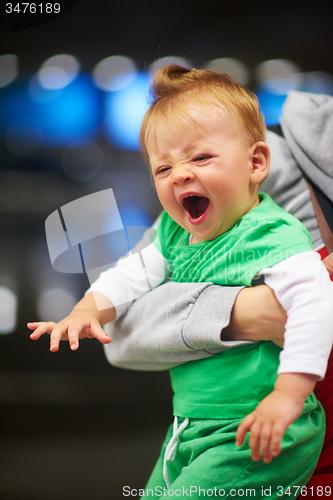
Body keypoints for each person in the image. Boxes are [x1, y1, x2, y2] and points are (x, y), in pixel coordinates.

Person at [28, 66, 333, 498]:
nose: (180, 175)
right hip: (193, 424)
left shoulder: (274, 235)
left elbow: (314, 307)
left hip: (257, 430)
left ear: (257, 162)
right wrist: (86, 310)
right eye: (163, 168)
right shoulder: (175, 230)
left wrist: (287, 395)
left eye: (201, 158)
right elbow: (131, 275)